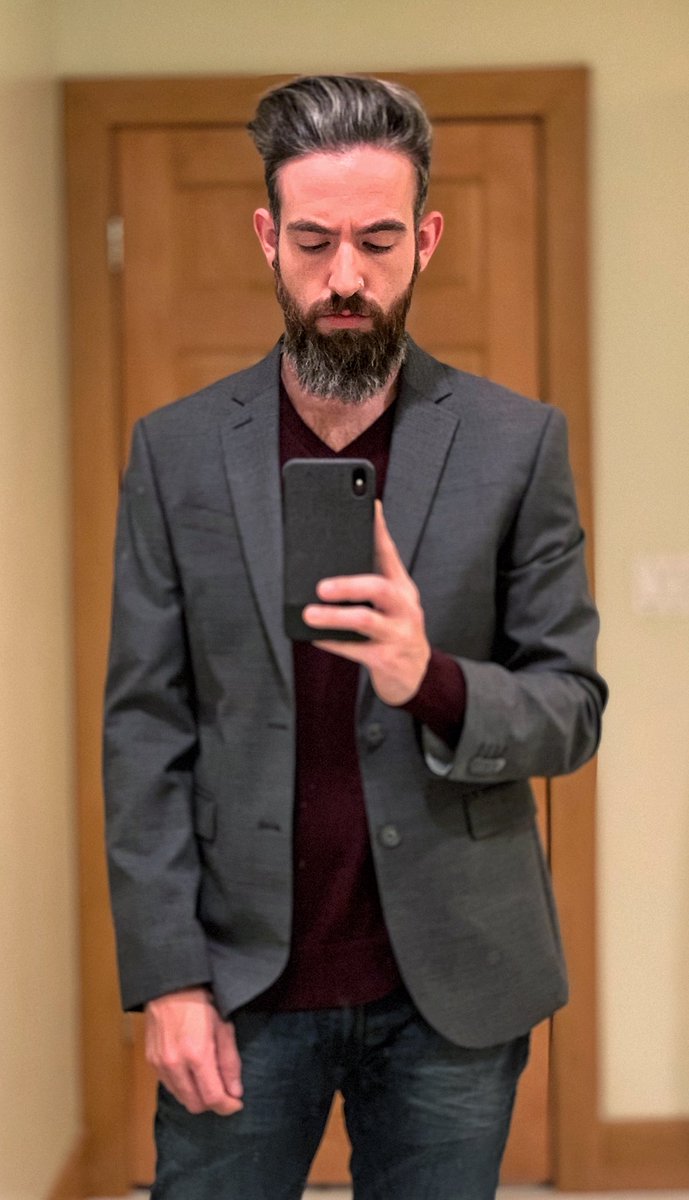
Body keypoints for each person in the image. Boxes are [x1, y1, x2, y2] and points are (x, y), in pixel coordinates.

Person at [103, 74, 607, 1200]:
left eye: (377, 242)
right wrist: (168, 979)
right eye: (314, 241)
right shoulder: (176, 452)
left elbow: (571, 709)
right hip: (238, 978)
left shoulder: (515, 444)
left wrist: (428, 678)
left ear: (425, 239)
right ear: (266, 238)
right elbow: (144, 731)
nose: (345, 278)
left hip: (452, 985)